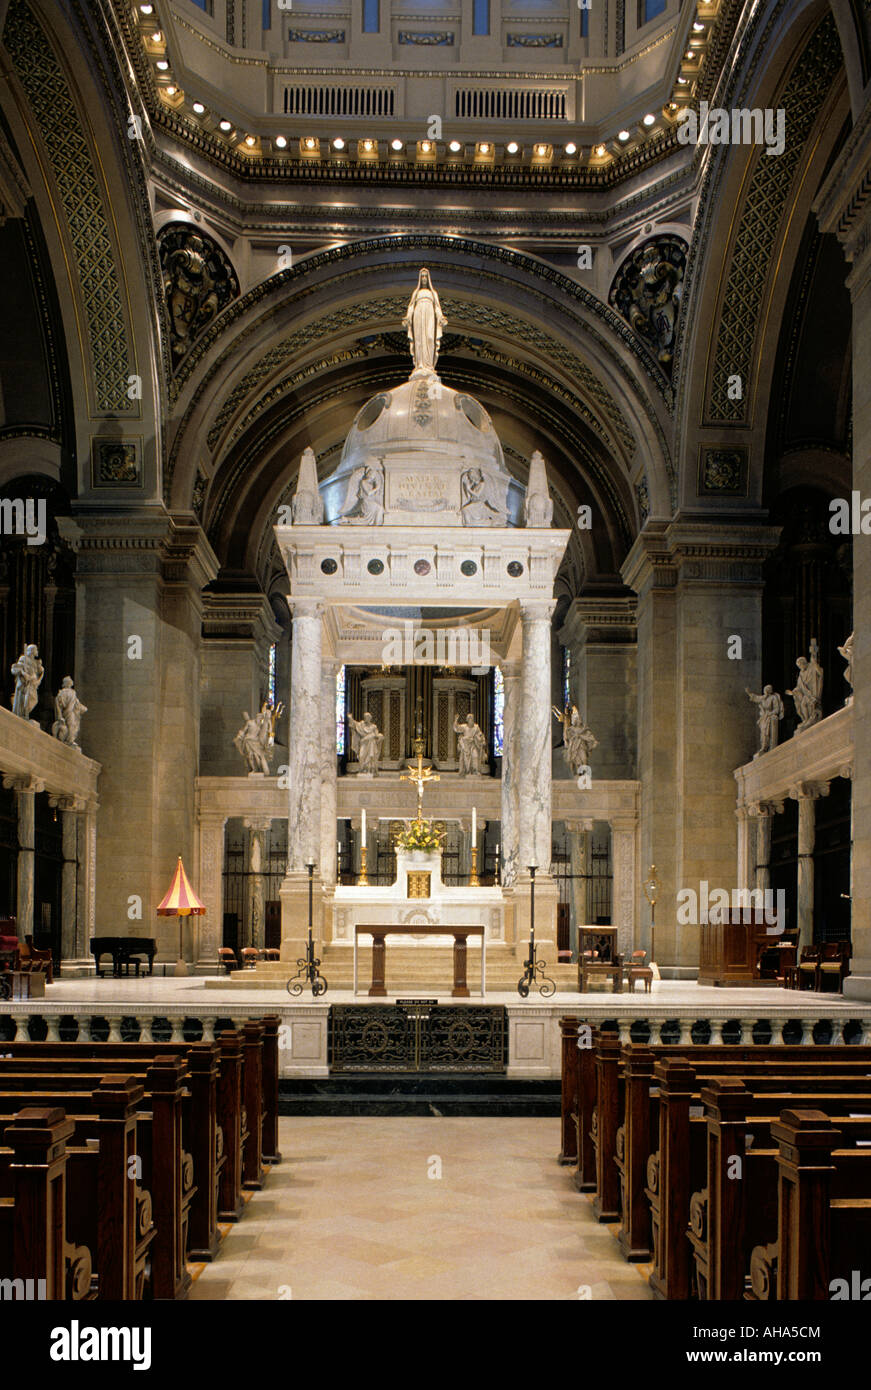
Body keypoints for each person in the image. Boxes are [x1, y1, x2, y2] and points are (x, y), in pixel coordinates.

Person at [402, 267, 447, 372]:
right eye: (422, 276)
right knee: (419, 339)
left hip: (430, 315)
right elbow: (411, 306)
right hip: (418, 315)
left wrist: (440, 317)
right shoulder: (416, 293)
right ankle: (420, 364)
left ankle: (429, 364)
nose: (424, 278)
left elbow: (437, 307)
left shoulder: (433, 293)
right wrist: (408, 317)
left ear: (428, 279)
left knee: (430, 337)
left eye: (425, 276)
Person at [745, 685, 784, 757]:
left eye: (767, 690)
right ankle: (764, 747)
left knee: (767, 730)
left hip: (770, 716)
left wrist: (770, 714)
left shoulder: (773, 698)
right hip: (764, 718)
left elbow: (776, 709)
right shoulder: (763, 698)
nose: (765, 691)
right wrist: (749, 693)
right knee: (763, 732)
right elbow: (756, 698)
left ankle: (767, 746)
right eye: (765, 690)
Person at [52, 677, 88, 750]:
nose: (70, 683)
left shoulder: (73, 692)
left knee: (73, 725)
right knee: (70, 725)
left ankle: (70, 740)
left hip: (72, 712)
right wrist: (60, 715)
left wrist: (82, 708)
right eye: (68, 682)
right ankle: (68, 740)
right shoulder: (62, 692)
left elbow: (76, 703)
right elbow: (60, 704)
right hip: (67, 712)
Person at [11, 644, 43, 721]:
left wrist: (40, 671)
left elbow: (37, 672)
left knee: (34, 699)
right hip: (24, 683)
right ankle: (22, 714)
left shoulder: (35, 662)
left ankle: (25, 713)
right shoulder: (23, 658)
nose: (37, 651)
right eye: (36, 650)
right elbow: (15, 669)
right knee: (25, 699)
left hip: (32, 683)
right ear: (32, 651)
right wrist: (23, 673)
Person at [348, 710, 384, 775]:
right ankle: (362, 769)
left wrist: (379, 736)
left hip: (371, 744)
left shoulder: (373, 726)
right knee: (361, 756)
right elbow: (354, 724)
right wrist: (350, 718)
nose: (365, 718)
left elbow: (376, 735)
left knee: (370, 757)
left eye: (367, 717)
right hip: (363, 744)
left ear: (370, 718)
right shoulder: (361, 725)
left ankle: (369, 770)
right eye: (365, 717)